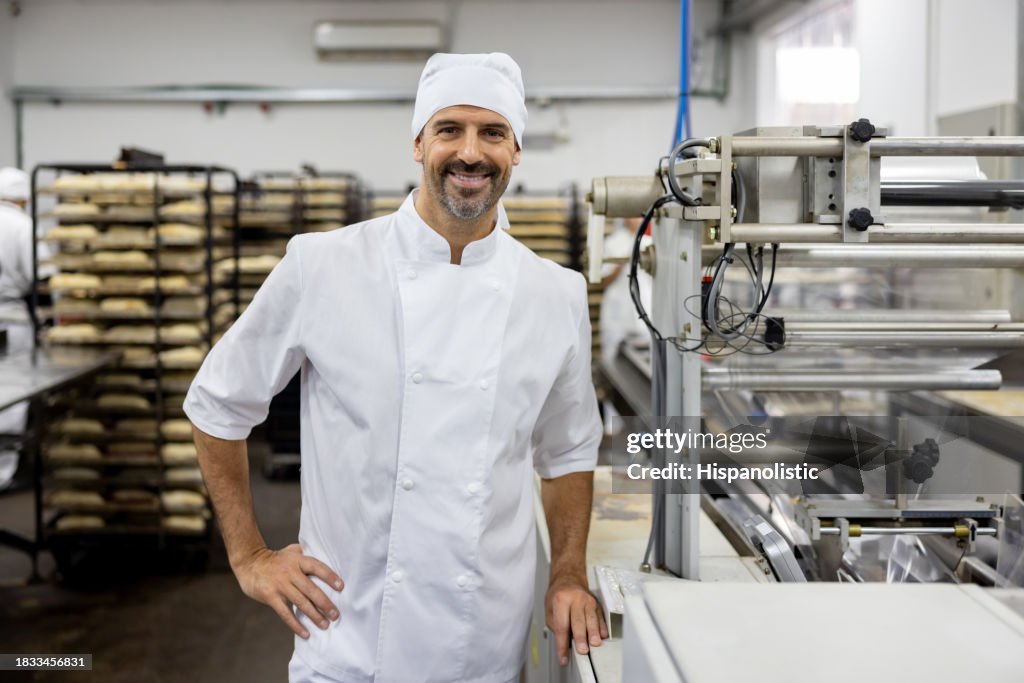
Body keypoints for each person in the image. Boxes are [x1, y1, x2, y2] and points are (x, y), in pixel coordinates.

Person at [183, 53, 607, 683]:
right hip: (346, 636)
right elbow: (217, 403)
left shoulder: (557, 293)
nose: (471, 152)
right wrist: (249, 557)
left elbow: (568, 449)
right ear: (418, 144)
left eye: (492, 133)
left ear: (516, 150)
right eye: (449, 130)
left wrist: (568, 572)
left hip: (484, 640)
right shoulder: (323, 265)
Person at [0, 167, 35, 490]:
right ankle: (4, 473)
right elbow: (36, 275)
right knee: (11, 392)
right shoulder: (22, 225)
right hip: (11, 319)